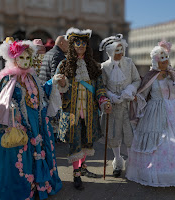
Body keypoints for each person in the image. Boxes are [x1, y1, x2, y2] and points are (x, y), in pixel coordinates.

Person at [0, 38, 63, 199]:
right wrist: (10, 108)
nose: (25, 61)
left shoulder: (32, 77)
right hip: (19, 124)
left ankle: (40, 187)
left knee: (37, 153)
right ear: (14, 59)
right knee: (22, 157)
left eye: (27, 58)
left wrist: (53, 82)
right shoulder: (7, 78)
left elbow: (42, 96)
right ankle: (26, 189)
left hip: (37, 124)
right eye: (21, 58)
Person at [126, 41, 175, 187]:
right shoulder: (151, 76)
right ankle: (158, 173)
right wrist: (135, 98)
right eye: (162, 60)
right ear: (156, 61)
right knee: (163, 142)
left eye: (166, 59)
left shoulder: (173, 75)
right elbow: (143, 93)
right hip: (155, 111)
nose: (165, 62)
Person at [56, 27, 112, 190]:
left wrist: (104, 101)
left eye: (83, 43)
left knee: (87, 140)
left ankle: (83, 167)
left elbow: (100, 88)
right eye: (77, 43)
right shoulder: (64, 64)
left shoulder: (94, 66)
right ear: (72, 45)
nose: (80, 45)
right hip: (71, 110)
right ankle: (76, 174)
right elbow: (58, 89)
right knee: (75, 141)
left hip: (89, 110)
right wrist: (61, 84)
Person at [99, 34, 141, 177]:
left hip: (128, 105)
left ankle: (131, 163)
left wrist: (129, 90)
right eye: (117, 51)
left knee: (129, 135)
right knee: (113, 134)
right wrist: (110, 96)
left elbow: (136, 80)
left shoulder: (129, 63)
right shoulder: (104, 67)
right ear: (110, 52)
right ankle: (117, 161)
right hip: (112, 107)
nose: (120, 53)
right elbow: (101, 86)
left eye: (121, 50)